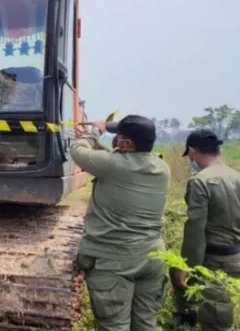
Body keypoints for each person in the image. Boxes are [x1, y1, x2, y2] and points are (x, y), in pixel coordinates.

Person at [70, 115, 170, 331]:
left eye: (119, 137)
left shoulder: (113, 165)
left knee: (114, 326)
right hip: (152, 258)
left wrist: (93, 132)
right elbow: (121, 164)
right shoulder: (161, 167)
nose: (115, 140)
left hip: (116, 260)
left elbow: (77, 151)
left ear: (126, 144)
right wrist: (101, 148)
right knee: (145, 323)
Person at [171, 129, 240, 331]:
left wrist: (187, 266)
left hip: (214, 261)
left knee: (216, 320)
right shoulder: (236, 176)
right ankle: (189, 320)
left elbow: (195, 231)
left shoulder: (200, 181)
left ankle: (186, 321)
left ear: (192, 151)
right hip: (236, 255)